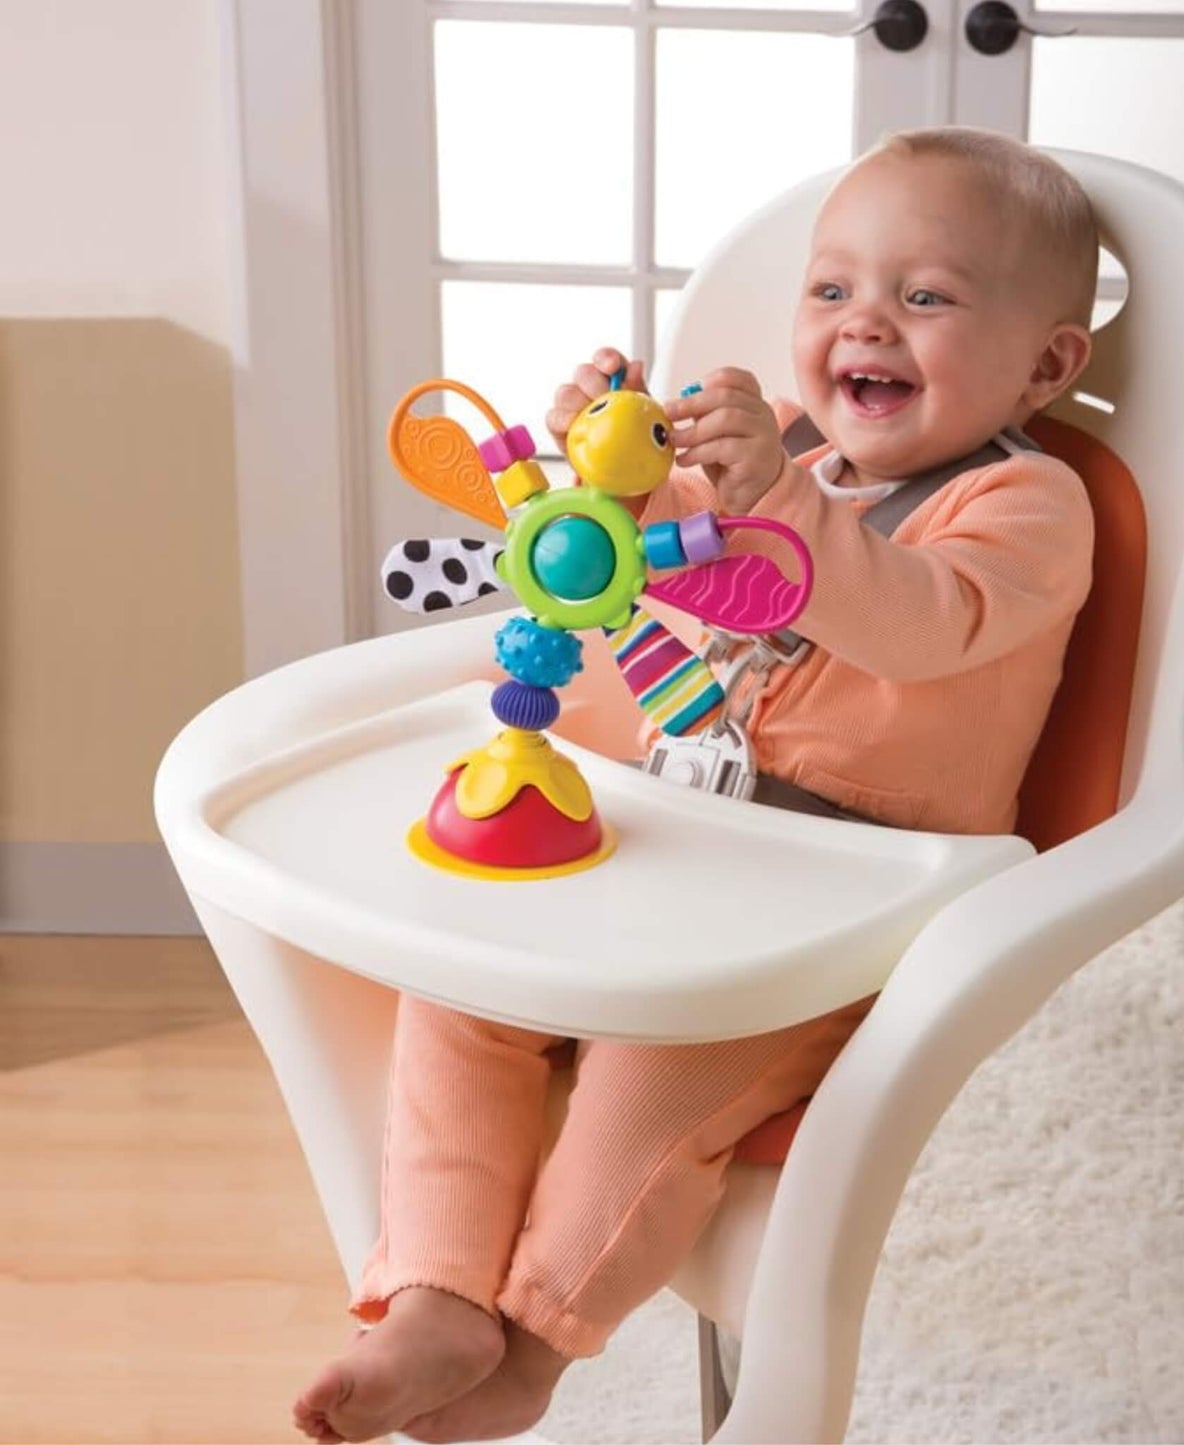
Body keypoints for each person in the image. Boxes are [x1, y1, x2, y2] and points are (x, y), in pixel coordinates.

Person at [294, 126, 1098, 1444]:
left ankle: (539, 1332)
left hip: (836, 893)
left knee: (646, 1066)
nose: (865, 325)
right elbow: (656, 562)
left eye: (925, 296)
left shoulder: (1025, 506)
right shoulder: (786, 457)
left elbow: (899, 619)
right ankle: (434, 1289)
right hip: (661, 826)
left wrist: (776, 491)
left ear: (1047, 360)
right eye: (831, 290)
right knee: (460, 988)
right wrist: (600, 465)